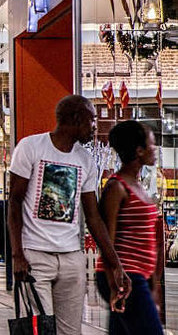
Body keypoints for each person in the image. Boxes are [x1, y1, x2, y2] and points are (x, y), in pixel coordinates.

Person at [8, 94, 131, 335]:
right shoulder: (31, 147)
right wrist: (17, 254)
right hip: (35, 256)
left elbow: (93, 217)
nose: (95, 127)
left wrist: (115, 264)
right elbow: (14, 201)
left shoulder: (85, 160)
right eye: (92, 120)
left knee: (70, 331)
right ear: (75, 119)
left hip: (71, 259)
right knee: (38, 330)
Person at [96, 120, 164, 334]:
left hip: (138, 276)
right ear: (139, 151)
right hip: (125, 277)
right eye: (152, 146)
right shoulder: (117, 187)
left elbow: (149, 240)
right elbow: (108, 240)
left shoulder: (138, 186)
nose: (155, 151)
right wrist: (115, 284)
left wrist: (154, 283)